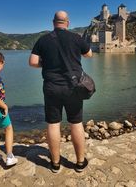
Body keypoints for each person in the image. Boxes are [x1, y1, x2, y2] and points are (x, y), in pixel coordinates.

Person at [29, 10, 92, 173]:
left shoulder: (43, 40)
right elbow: (89, 55)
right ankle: (79, 163)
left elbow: (33, 62)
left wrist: (47, 64)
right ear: (68, 23)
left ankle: (55, 164)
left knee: (53, 124)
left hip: (51, 88)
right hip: (73, 88)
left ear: (53, 22)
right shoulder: (76, 38)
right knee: (76, 123)